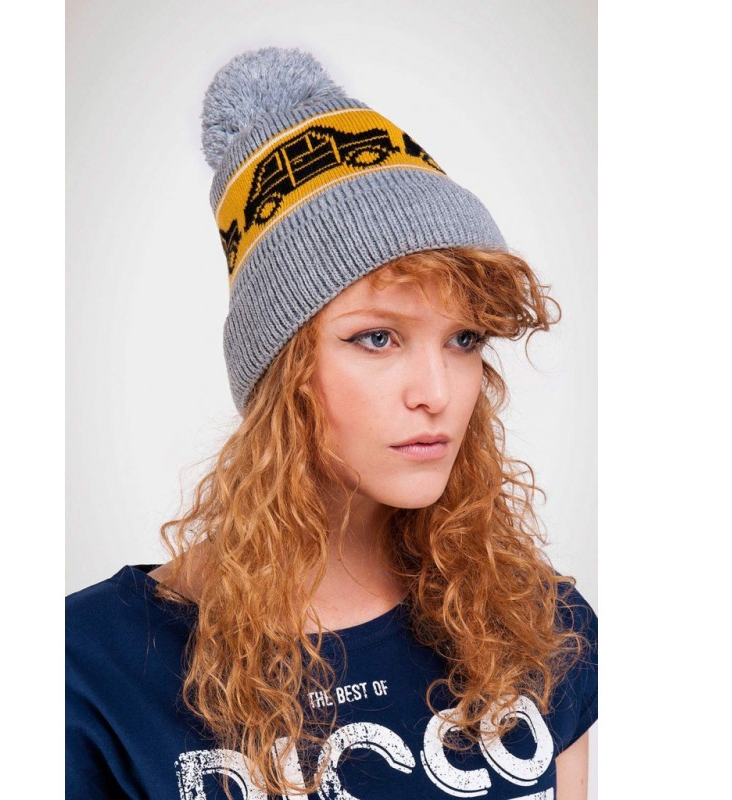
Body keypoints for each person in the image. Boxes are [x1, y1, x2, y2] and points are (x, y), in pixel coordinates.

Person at [66, 47, 597, 799]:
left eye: (464, 339)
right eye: (377, 338)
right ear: (280, 371)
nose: (437, 392)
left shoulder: (539, 624)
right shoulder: (91, 671)